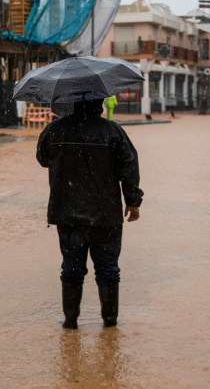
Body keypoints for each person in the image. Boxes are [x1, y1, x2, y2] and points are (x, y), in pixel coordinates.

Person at [37, 98, 144, 329]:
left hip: (67, 212)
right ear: (100, 103)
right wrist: (133, 201)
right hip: (105, 215)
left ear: (73, 102)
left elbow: (43, 159)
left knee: (72, 267)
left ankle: (70, 322)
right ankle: (110, 323)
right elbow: (129, 165)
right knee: (107, 268)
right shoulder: (112, 131)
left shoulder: (55, 130)